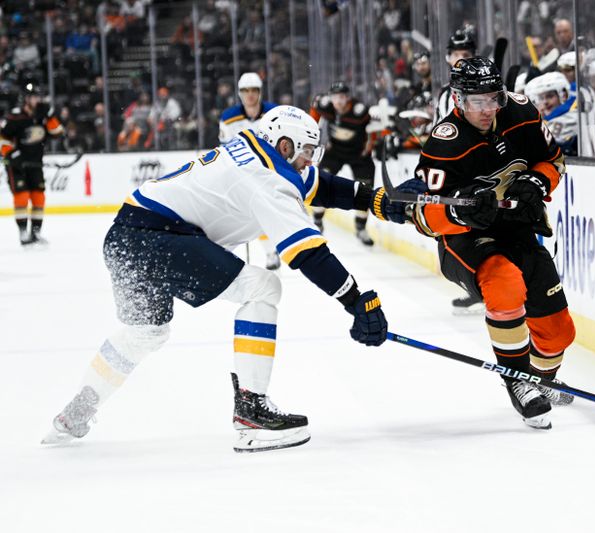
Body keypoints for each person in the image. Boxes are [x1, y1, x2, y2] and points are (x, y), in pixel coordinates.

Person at [42, 106, 388, 452]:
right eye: (307, 151)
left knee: (146, 331)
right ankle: (252, 409)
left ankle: (79, 408)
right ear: (285, 146)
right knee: (263, 287)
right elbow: (307, 252)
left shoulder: (252, 146)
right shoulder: (266, 178)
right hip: (156, 237)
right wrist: (355, 300)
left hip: (123, 239)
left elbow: (321, 185)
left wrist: (375, 200)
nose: (310, 161)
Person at [370, 58, 575, 429]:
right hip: (466, 241)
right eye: (477, 102)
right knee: (505, 284)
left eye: (493, 99)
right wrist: (459, 214)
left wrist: (537, 183)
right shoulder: (444, 143)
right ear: (458, 99)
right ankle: (518, 380)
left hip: (516, 228)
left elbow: (554, 161)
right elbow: (425, 217)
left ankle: (542, 380)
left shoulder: (522, 112)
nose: (487, 109)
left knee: (560, 330)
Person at [432, 27, 483, 315]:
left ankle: (494, 289)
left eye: (467, 54)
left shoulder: (489, 86)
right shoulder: (444, 94)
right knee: (458, 234)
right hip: (457, 173)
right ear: (448, 58)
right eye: (456, 55)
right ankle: (480, 287)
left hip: (484, 170)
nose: (461, 59)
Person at [219, 72, 281, 269]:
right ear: (240, 93)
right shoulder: (228, 118)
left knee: (262, 215)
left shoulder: (274, 113)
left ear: (260, 92)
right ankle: (226, 256)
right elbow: (225, 149)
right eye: (246, 91)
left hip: (269, 173)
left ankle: (271, 252)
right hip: (241, 175)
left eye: (254, 90)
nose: (250, 95)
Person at [309, 81, 376, 246]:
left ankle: (361, 228)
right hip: (335, 151)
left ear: (348, 98)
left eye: (342, 97)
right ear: (330, 98)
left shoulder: (360, 111)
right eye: (335, 97)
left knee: (365, 189)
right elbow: (313, 113)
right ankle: (317, 222)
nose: (338, 101)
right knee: (320, 182)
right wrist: (310, 135)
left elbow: (373, 129)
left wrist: (370, 147)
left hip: (358, 154)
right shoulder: (324, 105)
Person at [0, 83, 63, 245]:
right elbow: (2, 139)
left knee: (38, 197)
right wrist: (12, 154)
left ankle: (35, 233)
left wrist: (50, 117)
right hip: (17, 165)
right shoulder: (15, 117)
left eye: (38, 97)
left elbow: (58, 134)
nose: (38, 100)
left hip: (35, 164)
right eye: (34, 97)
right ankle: (22, 232)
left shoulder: (42, 116)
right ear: (26, 99)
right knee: (22, 196)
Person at [525, 71, 579, 155]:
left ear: (563, 95)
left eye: (550, 96)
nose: (545, 102)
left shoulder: (572, 117)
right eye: (541, 98)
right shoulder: (543, 121)